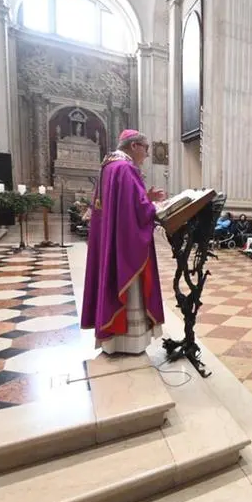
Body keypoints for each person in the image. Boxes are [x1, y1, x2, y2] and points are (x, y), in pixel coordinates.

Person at [81, 129, 166, 355]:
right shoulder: (126, 168)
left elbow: (123, 205)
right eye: (146, 149)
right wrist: (154, 207)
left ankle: (114, 341)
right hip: (124, 243)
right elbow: (136, 211)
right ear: (134, 146)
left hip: (113, 237)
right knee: (130, 287)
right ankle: (131, 342)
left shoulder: (109, 166)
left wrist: (146, 198)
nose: (147, 154)